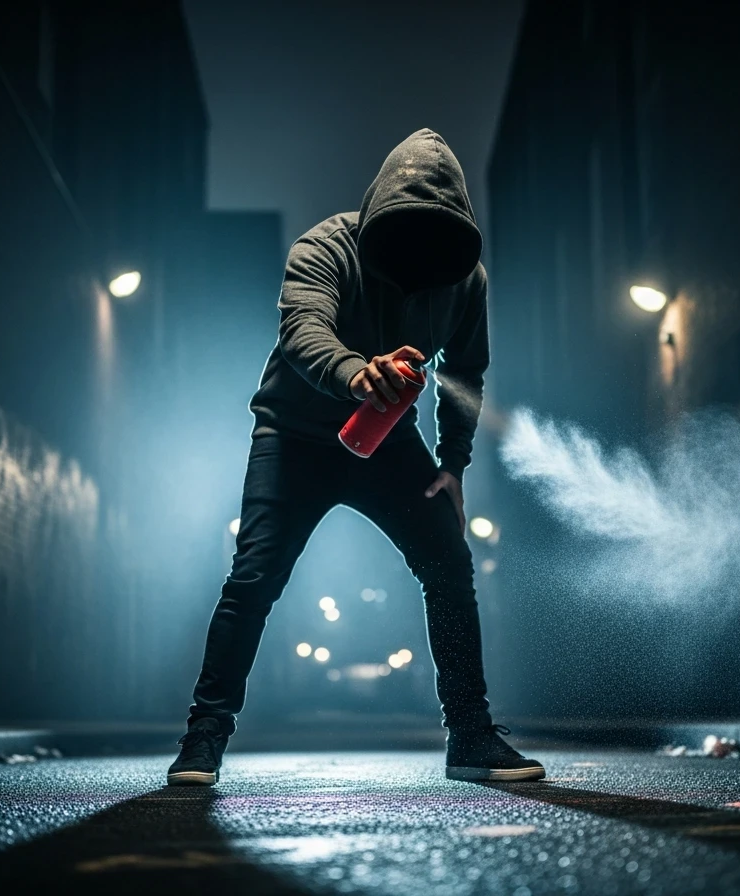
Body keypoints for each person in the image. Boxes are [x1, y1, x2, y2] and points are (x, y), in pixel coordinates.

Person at [168, 128, 544, 786]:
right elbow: (302, 330)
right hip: (294, 435)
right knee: (254, 579)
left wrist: (453, 466)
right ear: (378, 219)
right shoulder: (324, 246)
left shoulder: (465, 280)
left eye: (435, 246)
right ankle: (202, 739)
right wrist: (356, 374)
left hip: (387, 443)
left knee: (450, 564)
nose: (418, 266)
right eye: (406, 243)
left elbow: (468, 372)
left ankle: (471, 738)